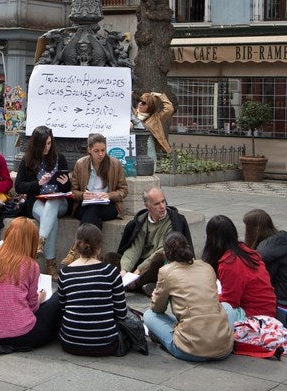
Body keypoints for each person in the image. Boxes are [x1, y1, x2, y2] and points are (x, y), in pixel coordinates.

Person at [143, 232, 234, 361]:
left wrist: (155, 296)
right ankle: (217, 337)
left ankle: (183, 334)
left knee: (149, 315)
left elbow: (157, 308)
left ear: (166, 253)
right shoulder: (206, 266)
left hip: (190, 350)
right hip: (224, 348)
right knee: (227, 307)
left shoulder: (166, 271)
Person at [0, 217, 61, 351]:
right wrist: (39, 299)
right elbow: (33, 307)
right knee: (57, 298)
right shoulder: (30, 265)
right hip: (22, 334)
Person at [57, 223, 128, 356]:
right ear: (99, 247)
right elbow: (121, 313)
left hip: (70, 343)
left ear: (76, 245)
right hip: (106, 344)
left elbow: (63, 308)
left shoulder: (65, 273)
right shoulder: (111, 272)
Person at [61, 132, 128, 265]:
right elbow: (73, 191)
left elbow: (123, 190)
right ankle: (94, 257)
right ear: (89, 150)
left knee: (95, 210)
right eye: (96, 151)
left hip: (109, 206)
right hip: (84, 206)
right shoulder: (81, 164)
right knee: (93, 210)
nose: (101, 154)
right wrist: (83, 195)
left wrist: (108, 195)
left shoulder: (115, 164)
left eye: (103, 150)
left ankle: (75, 250)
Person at [15, 125, 71, 280]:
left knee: (52, 203)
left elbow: (68, 187)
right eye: (44, 144)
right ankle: (51, 264)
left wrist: (65, 183)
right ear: (36, 145)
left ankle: (40, 241)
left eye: (49, 143)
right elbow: (18, 186)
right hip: (38, 202)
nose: (47, 147)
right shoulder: (28, 160)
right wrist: (38, 184)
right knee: (51, 219)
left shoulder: (60, 158)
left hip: (59, 202)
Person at [114, 186, 193, 295]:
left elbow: (162, 249)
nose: (162, 206)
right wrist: (125, 270)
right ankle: (143, 285)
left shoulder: (173, 221)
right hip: (142, 262)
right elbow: (134, 249)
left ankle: (135, 284)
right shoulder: (142, 221)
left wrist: (139, 270)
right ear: (147, 206)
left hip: (159, 263)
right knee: (110, 257)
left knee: (159, 258)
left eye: (163, 201)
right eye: (157, 204)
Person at [202, 214, 277, 326]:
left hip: (255, 316)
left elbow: (231, 301)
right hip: (268, 309)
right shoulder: (244, 250)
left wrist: (207, 297)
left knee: (204, 306)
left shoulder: (229, 263)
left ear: (211, 238)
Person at [243, 208, 287, 306]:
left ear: (253, 230)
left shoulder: (266, 252)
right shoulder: (281, 239)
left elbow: (263, 281)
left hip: (284, 297)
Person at [131, 91, 174, 166]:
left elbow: (169, 109)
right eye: (140, 102)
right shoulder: (133, 114)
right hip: (133, 146)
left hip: (148, 148)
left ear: (150, 106)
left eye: (144, 103)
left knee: (149, 168)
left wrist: (161, 96)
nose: (140, 104)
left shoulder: (156, 119)